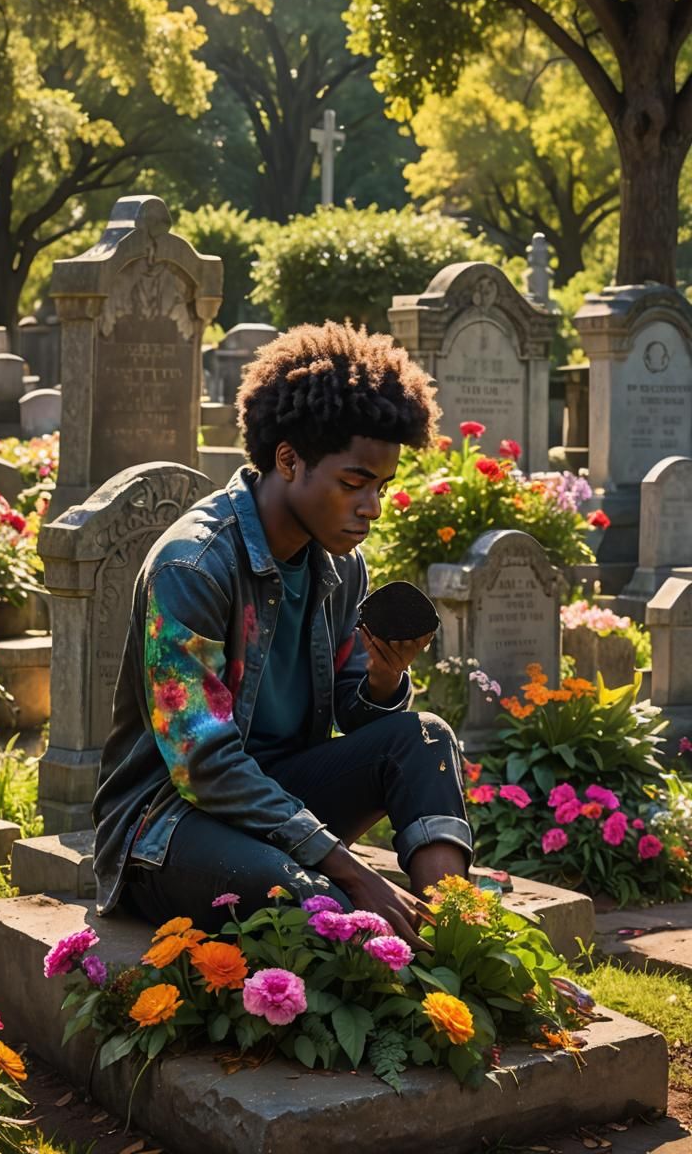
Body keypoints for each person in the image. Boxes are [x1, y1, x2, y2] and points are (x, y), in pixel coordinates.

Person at [93, 322, 472, 946]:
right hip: (167, 826)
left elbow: (357, 715)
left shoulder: (340, 563)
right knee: (321, 902)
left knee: (425, 737)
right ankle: (412, 944)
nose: (372, 507)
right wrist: (351, 870)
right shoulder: (192, 567)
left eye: (382, 486)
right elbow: (203, 764)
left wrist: (382, 678)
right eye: (354, 483)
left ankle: (460, 932)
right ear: (288, 459)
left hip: (278, 800)